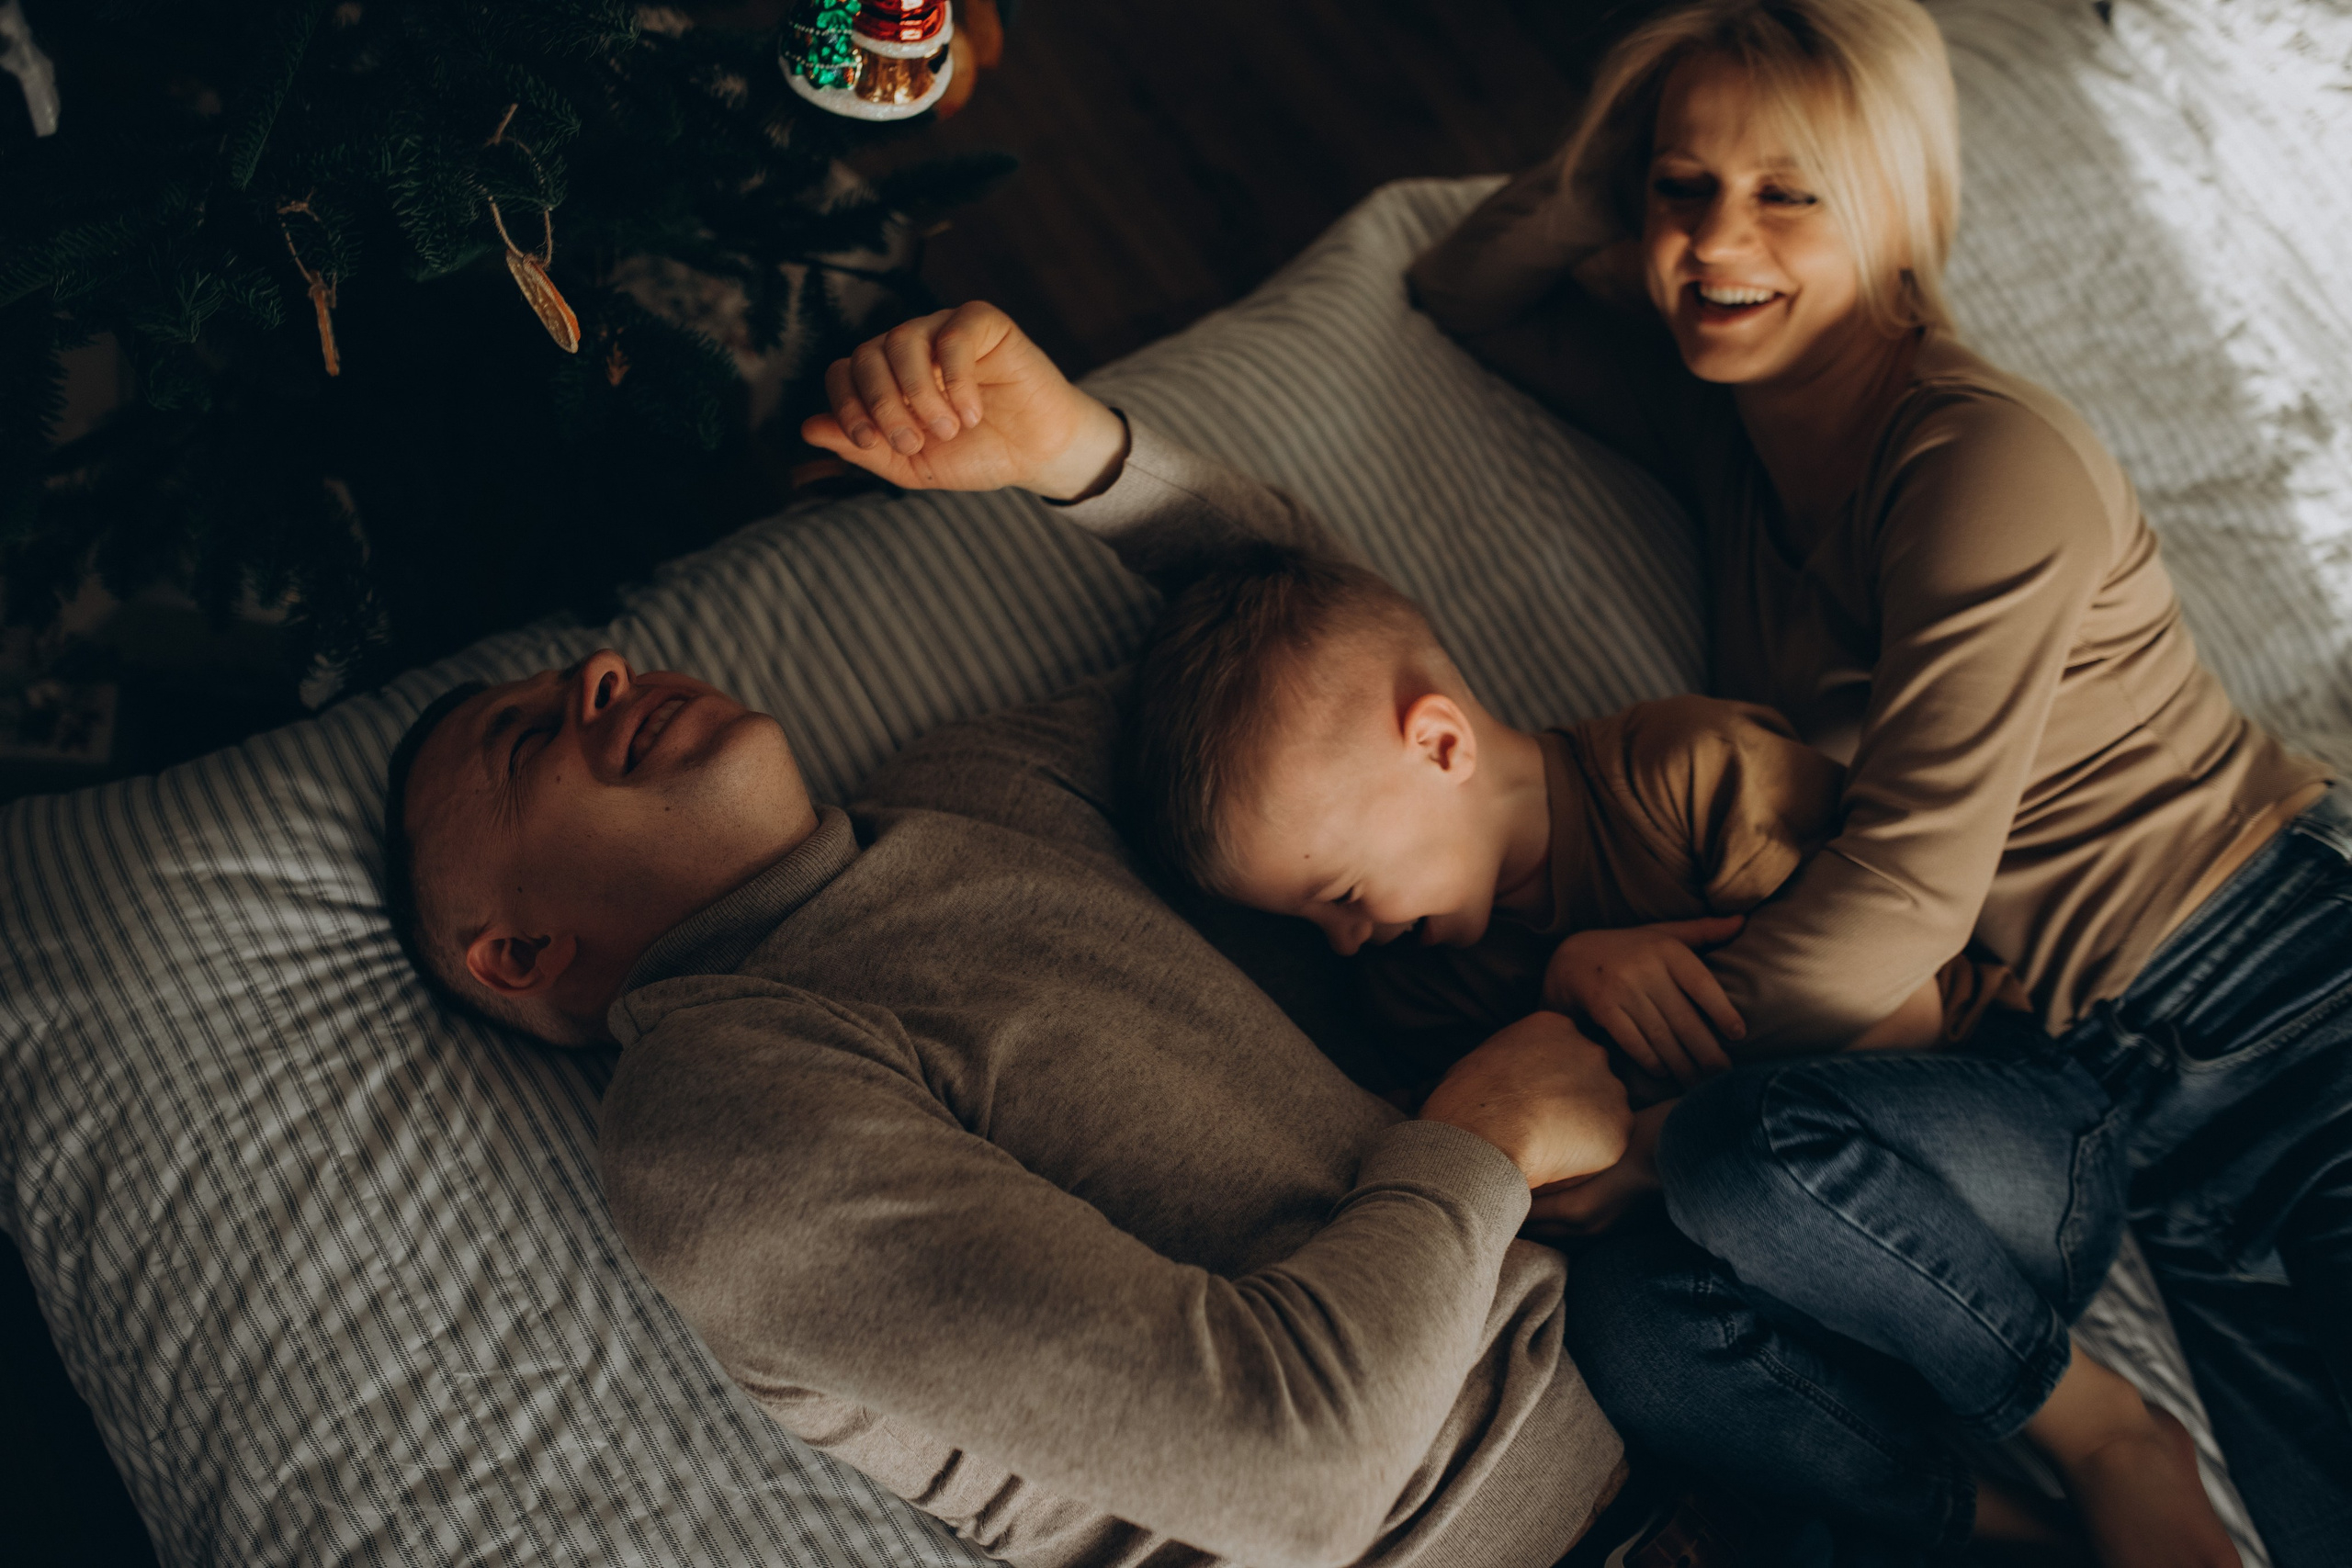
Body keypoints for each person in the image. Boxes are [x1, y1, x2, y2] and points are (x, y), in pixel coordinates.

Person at [382, 308, 1640, 1568]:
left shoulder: (984, 784)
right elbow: (1293, 1472)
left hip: (1661, 1376)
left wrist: (1072, 453)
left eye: (576, 672)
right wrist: (1484, 1140)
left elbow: (1327, 661)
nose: (602, 668)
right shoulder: (708, 1111)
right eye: (528, 738)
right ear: (521, 954)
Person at [1404, 0, 2348, 1562]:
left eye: (1790, 192)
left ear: (1903, 210)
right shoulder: (1735, 420)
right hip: (2097, 1084)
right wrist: (1618, 166)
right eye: (1683, 189)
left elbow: (1906, 894)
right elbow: (1464, 285)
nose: (1718, 244)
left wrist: (1619, 1096)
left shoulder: (1988, 462)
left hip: (2279, 1000)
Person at [1110, 536, 2032, 1224]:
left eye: (1345, 897)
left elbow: (1902, 1004)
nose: (1347, 941)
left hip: (1975, 1098)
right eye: (1314, 925)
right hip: (1783, 1235)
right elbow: (1539, 1195)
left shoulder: (1682, 779)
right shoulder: (1415, 991)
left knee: (1742, 1166)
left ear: (1440, 745)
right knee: (1644, 1333)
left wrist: (1620, 1117)